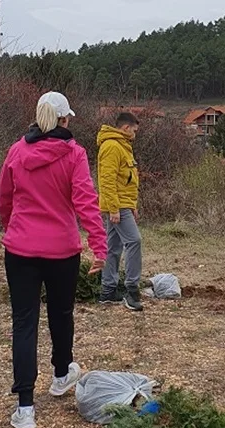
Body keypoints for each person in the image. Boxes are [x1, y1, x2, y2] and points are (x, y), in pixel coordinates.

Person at [0, 91, 107, 428]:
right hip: (62, 249)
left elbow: (3, 197)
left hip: (20, 249)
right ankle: (61, 374)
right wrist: (99, 245)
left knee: (24, 323)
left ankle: (25, 407)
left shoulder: (17, 150)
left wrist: (12, 226)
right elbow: (86, 201)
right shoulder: (74, 154)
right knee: (61, 313)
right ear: (63, 119)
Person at [96, 112, 143, 311]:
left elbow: (126, 180)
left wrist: (132, 205)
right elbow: (107, 180)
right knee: (134, 241)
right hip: (117, 206)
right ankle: (131, 291)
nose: (135, 134)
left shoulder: (122, 146)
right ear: (126, 128)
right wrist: (114, 208)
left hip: (123, 204)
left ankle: (108, 291)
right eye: (134, 130)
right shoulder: (112, 147)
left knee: (113, 246)